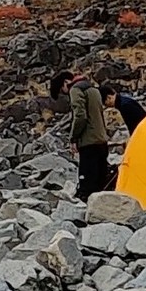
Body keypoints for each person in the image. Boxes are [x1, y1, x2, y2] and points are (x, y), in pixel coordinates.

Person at [50, 72, 111, 200]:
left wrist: (73, 138)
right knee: (101, 182)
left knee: (87, 185)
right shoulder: (93, 88)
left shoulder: (76, 89)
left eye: (63, 90)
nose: (66, 94)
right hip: (101, 140)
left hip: (89, 143)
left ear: (66, 82)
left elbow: (80, 116)